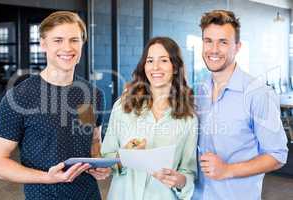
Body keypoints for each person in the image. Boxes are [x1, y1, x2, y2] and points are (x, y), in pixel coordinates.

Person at [0, 11, 111, 200]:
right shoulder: (19, 97)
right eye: (58, 40)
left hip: (89, 195)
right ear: (43, 44)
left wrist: (98, 163)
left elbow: (93, 141)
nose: (67, 47)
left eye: (74, 40)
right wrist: (46, 177)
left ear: (82, 44)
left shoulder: (93, 94)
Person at [193, 10, 288, 200]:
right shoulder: (199, 92)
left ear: (237, 47)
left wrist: (227, 170)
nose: (213, 49)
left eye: (223, 42)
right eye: (208, 41)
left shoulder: (258, 94)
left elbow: (277, 155)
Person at [101, 36, 198, 200]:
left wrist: (180, 181)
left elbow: (188, 173)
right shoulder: (123, 107)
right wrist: (124, 156)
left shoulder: (188, 119)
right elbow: (106, 157)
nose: (156, 67)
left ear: (175, 67)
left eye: (164, 60)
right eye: (150, 60)